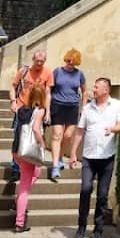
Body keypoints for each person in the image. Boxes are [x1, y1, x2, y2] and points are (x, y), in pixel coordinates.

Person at [69, 77, 120, 238]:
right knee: (86, 189)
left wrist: (113, 129)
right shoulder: (87, 108)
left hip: (107, 158)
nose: (93, 89)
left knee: (102, 196)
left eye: (96, 87)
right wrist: (73, 153)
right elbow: (80, 131)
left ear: (106, 90)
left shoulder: (117, 106)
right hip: (88, 157)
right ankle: (81, 227)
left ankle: (98, 230)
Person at [8, 50, 53, 179]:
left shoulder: (48, 72)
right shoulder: (23, 71)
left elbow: (48, 93)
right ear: (33, 59)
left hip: (38, 109)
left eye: (42, 61)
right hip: (22, 108)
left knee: (35, 136)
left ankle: (31, 162)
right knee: (18, 136)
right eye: (37, 61)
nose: (39, 63)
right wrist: (13, 102)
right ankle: (16, 167)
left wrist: (48, 112)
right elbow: (13, 86)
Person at [12, 83, 47, 232]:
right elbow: (35, 129)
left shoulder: (22, 109)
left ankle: (18, 200)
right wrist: (42, 144)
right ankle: (20, 223)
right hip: (29, 152)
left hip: (17, 150)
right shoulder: (40, 110)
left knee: (35, 174)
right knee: (25, 187)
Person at [49, 48, 87, 181]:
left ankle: (59, 158)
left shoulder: (79, 74)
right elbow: (49, 89)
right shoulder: (57, 72)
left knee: (68, 135)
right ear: (66, 58)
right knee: (57, 135)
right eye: (69, 59)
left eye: (74, 61)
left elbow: (85, 91)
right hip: (57, 105)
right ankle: (55, 166)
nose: (71, 62)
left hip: (73, 107)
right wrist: (47, 108)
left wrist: (84, 107)